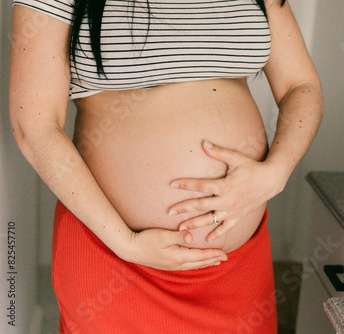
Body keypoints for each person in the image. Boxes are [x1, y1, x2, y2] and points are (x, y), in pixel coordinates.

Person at [9, 0, 323, 332]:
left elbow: (300, 85)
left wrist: (277, 171)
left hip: (235, 263)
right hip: (115, 257)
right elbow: (35, 126)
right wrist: (126, 243)